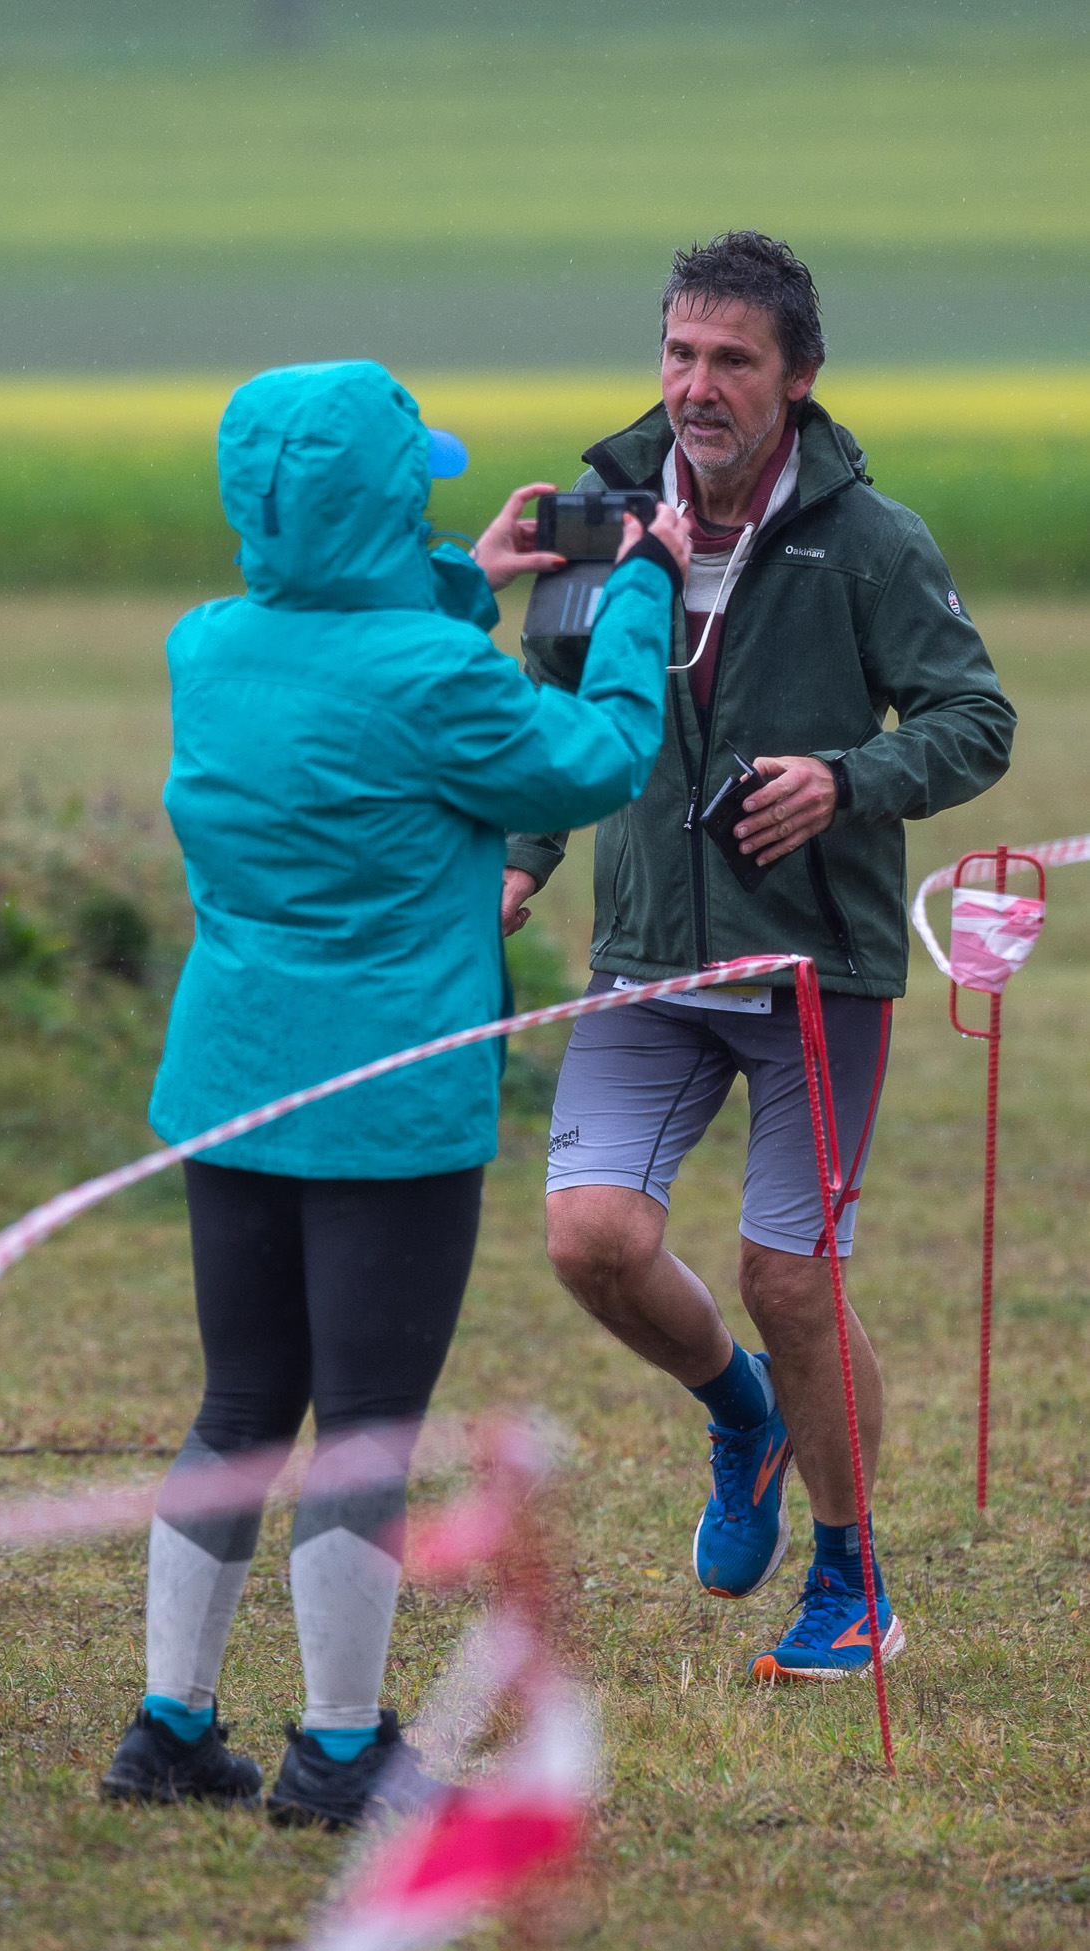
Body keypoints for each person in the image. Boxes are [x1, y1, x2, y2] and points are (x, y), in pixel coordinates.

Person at [101, 357, 692, 1823]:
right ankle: (342, 1752)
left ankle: (170, 1728)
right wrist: (642, 589)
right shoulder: (438, 681)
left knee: (242, 1403)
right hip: (390, 1098)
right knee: (367, 1422)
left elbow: (345, 662)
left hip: (235, 1080)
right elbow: (599, 759)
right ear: (377, 506)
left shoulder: (206, 648)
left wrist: (461, 578)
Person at [503, 232, 1015, 1683]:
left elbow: (976, 721)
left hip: (815, 972)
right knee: (591, 1241)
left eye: (733, 359)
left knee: (793, 1282)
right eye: (680, 353)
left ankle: (851, 1582)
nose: (698, 385)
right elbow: (551, 708)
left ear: (799, 377)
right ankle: (744, 1412)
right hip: (648, 960)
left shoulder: (871, 541)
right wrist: (522, 859)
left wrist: (847, 780)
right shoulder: (601, 521)